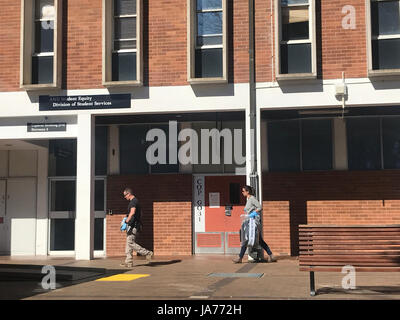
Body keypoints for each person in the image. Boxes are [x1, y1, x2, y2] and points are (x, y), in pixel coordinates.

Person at [232, 185, 277, 263]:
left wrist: (252, 214)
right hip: (249, 222)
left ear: (247, 192)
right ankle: (271, 255)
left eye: (243, 191)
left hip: (252, 223)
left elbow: (259, 207)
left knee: (246, 240)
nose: (242, 193)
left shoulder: (252, 199)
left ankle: (240, 258)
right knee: (259, 240)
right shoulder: (248, 199)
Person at [120, 188, 153, 268]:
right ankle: (128, 262)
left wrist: (126, 221)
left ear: (129, 194)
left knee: (130, 242)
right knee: (128, 243)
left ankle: (147, 253)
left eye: (125, 195)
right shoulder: (135, 201)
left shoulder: (133, 202)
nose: (125, 197)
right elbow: (140, 213)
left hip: (133, 226)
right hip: (133, 225)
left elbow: (132, 212)